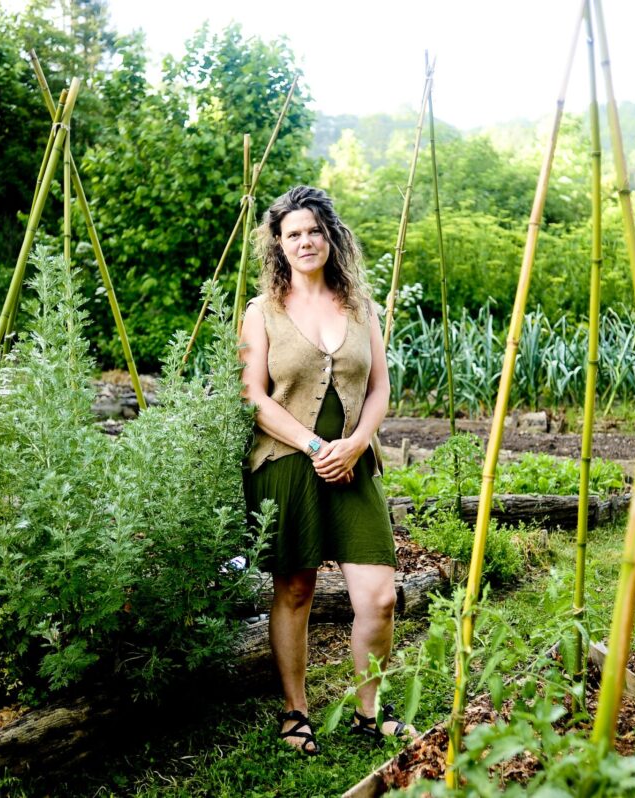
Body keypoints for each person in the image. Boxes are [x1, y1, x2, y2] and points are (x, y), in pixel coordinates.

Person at [240, 185, 409, 756]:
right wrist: (317, 446)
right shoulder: (261, 312)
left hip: (355, 466)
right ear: (279, 246)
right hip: (288, 462)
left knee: (379, 596)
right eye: (293, 234)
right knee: (295, 590)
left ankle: (368, 712)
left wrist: (357, 443)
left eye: (314, 230)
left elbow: (382, 386)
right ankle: (295, 713)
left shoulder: (362, 307)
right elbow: (253, 396)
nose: (305, 241)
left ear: (330, 238)